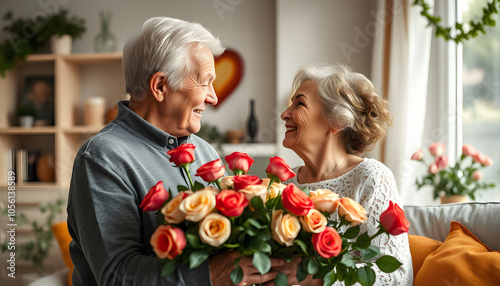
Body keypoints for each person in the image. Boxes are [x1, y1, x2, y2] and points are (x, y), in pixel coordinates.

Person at [67, 17, 282, 286]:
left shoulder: (205, 153)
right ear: (159, 86)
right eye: (205, 82)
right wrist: (210, 275)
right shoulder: (102, 158)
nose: (213, 97)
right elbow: (116, 276)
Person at [274, 63, 413, 285]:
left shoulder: (370, 177)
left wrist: (315, 279)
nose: (284, 114)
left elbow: (397, 275)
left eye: (299, 103)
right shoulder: (285, 185)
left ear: (335, 122)